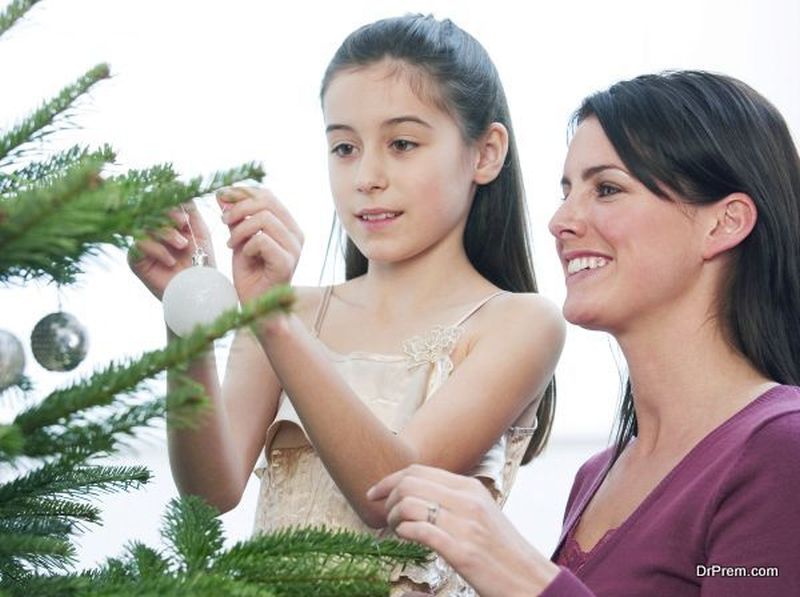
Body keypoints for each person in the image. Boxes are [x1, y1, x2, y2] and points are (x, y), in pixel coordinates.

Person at [129, 14, 564, 595]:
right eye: (344, 147)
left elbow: (387, 492)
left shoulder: (519, 323)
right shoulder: (294, 313)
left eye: (402, 144)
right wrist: (187, 318)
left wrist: (273, 320)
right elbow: (211, 493)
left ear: (486, 153)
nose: (366, 177)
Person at [369, 70, 800, 596]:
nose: (561, 220)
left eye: (608, 189)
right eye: (568, 190)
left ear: (724, 223)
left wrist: (517, 571)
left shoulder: (782, 450)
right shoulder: (599, 475)